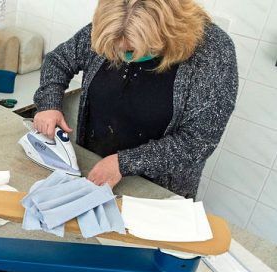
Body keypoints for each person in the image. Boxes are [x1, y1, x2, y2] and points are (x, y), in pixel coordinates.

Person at [33, 0, 237, 198]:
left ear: (167, 31)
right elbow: (58, 60)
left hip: (156, 192)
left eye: (130, 50)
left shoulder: (213, 51)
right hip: (94, 165)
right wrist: (49, 104)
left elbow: (198, 142)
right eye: (115, 49)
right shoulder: (118, 19)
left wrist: (124, 163)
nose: (123, 57)